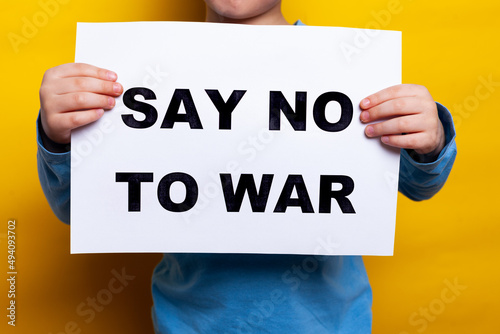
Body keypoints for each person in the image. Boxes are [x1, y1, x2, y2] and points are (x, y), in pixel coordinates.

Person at [37, 0, 457, 332]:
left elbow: (416, 184)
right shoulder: (143, 75)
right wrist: (59, 137)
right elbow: (81, 208)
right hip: (188, 325)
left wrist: (429, 139)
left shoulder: (349, 70)